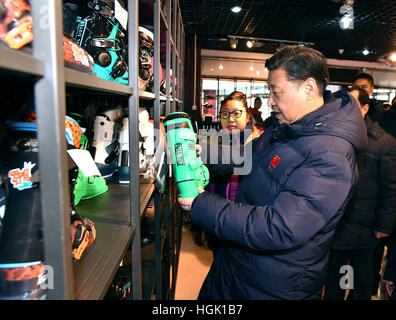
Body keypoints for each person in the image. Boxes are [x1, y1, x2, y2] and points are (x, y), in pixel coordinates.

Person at [178, 45, 367, 299]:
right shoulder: (290, 127)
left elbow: (278, 227)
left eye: (275, 92)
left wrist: (202, 204)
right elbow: (245, 156)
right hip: (239, 265)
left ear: (308, 89)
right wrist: (201, 150)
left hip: (272, 286)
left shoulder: (331, 156)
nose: (269, 101)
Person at [323, 86, 396, 300]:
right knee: (333, 285)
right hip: (336, 228)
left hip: (366, 230)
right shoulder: (332, 136)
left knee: (359, 286)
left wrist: (384, 227)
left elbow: (391, 189)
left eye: (353, 105)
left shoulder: (384, 142)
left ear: (365, 108)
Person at [192, 91, 262, 255]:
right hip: (215, 218)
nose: (230, 119)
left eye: (237, 114)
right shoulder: (214, 142)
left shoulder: (259, 144)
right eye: (225, 114)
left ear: (247, 116)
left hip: (244, 224)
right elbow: (204, 181)